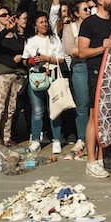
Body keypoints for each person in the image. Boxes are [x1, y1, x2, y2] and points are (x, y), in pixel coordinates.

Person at [79, 0, 111, 178]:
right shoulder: (89, 23)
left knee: (107, 116)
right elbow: (82, 51)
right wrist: (102, 49)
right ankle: (91, 162)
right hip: (96, 72)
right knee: (94, 116)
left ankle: (103, 159)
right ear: (100, 1)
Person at [22, 12, 68, 153]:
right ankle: (36, 139)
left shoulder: (54, 40)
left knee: (54, 110)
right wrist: (31, 61)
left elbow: (61, 59)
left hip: (52, 76)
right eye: (41, 22)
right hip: (36, 78)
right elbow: (25, 60)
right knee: (37, 111)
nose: (44, 24)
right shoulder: (30, 41)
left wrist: (47, 58)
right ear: (35, 25)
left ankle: (56, 139)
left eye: (45, 21)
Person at [0, 7, 26, 147]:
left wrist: (21, 56)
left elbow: (22, 50)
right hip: (2, 75)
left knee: (11, 108)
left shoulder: (15, 36)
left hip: (15, 75)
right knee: (0, 107)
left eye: (8, 14)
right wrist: (7, 29)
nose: (7, 16)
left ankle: (6, 137)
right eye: (3, 15)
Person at [62, 0, 91, 153]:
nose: (89, 11)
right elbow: (70, 49)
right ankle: (82, 138)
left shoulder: (94, 25)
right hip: (79, 67)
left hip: (95, 66)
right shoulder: (70, 29)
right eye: (85, 9)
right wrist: (89, 50)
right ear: (76, 13)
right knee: (82, 106)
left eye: (90, 8)